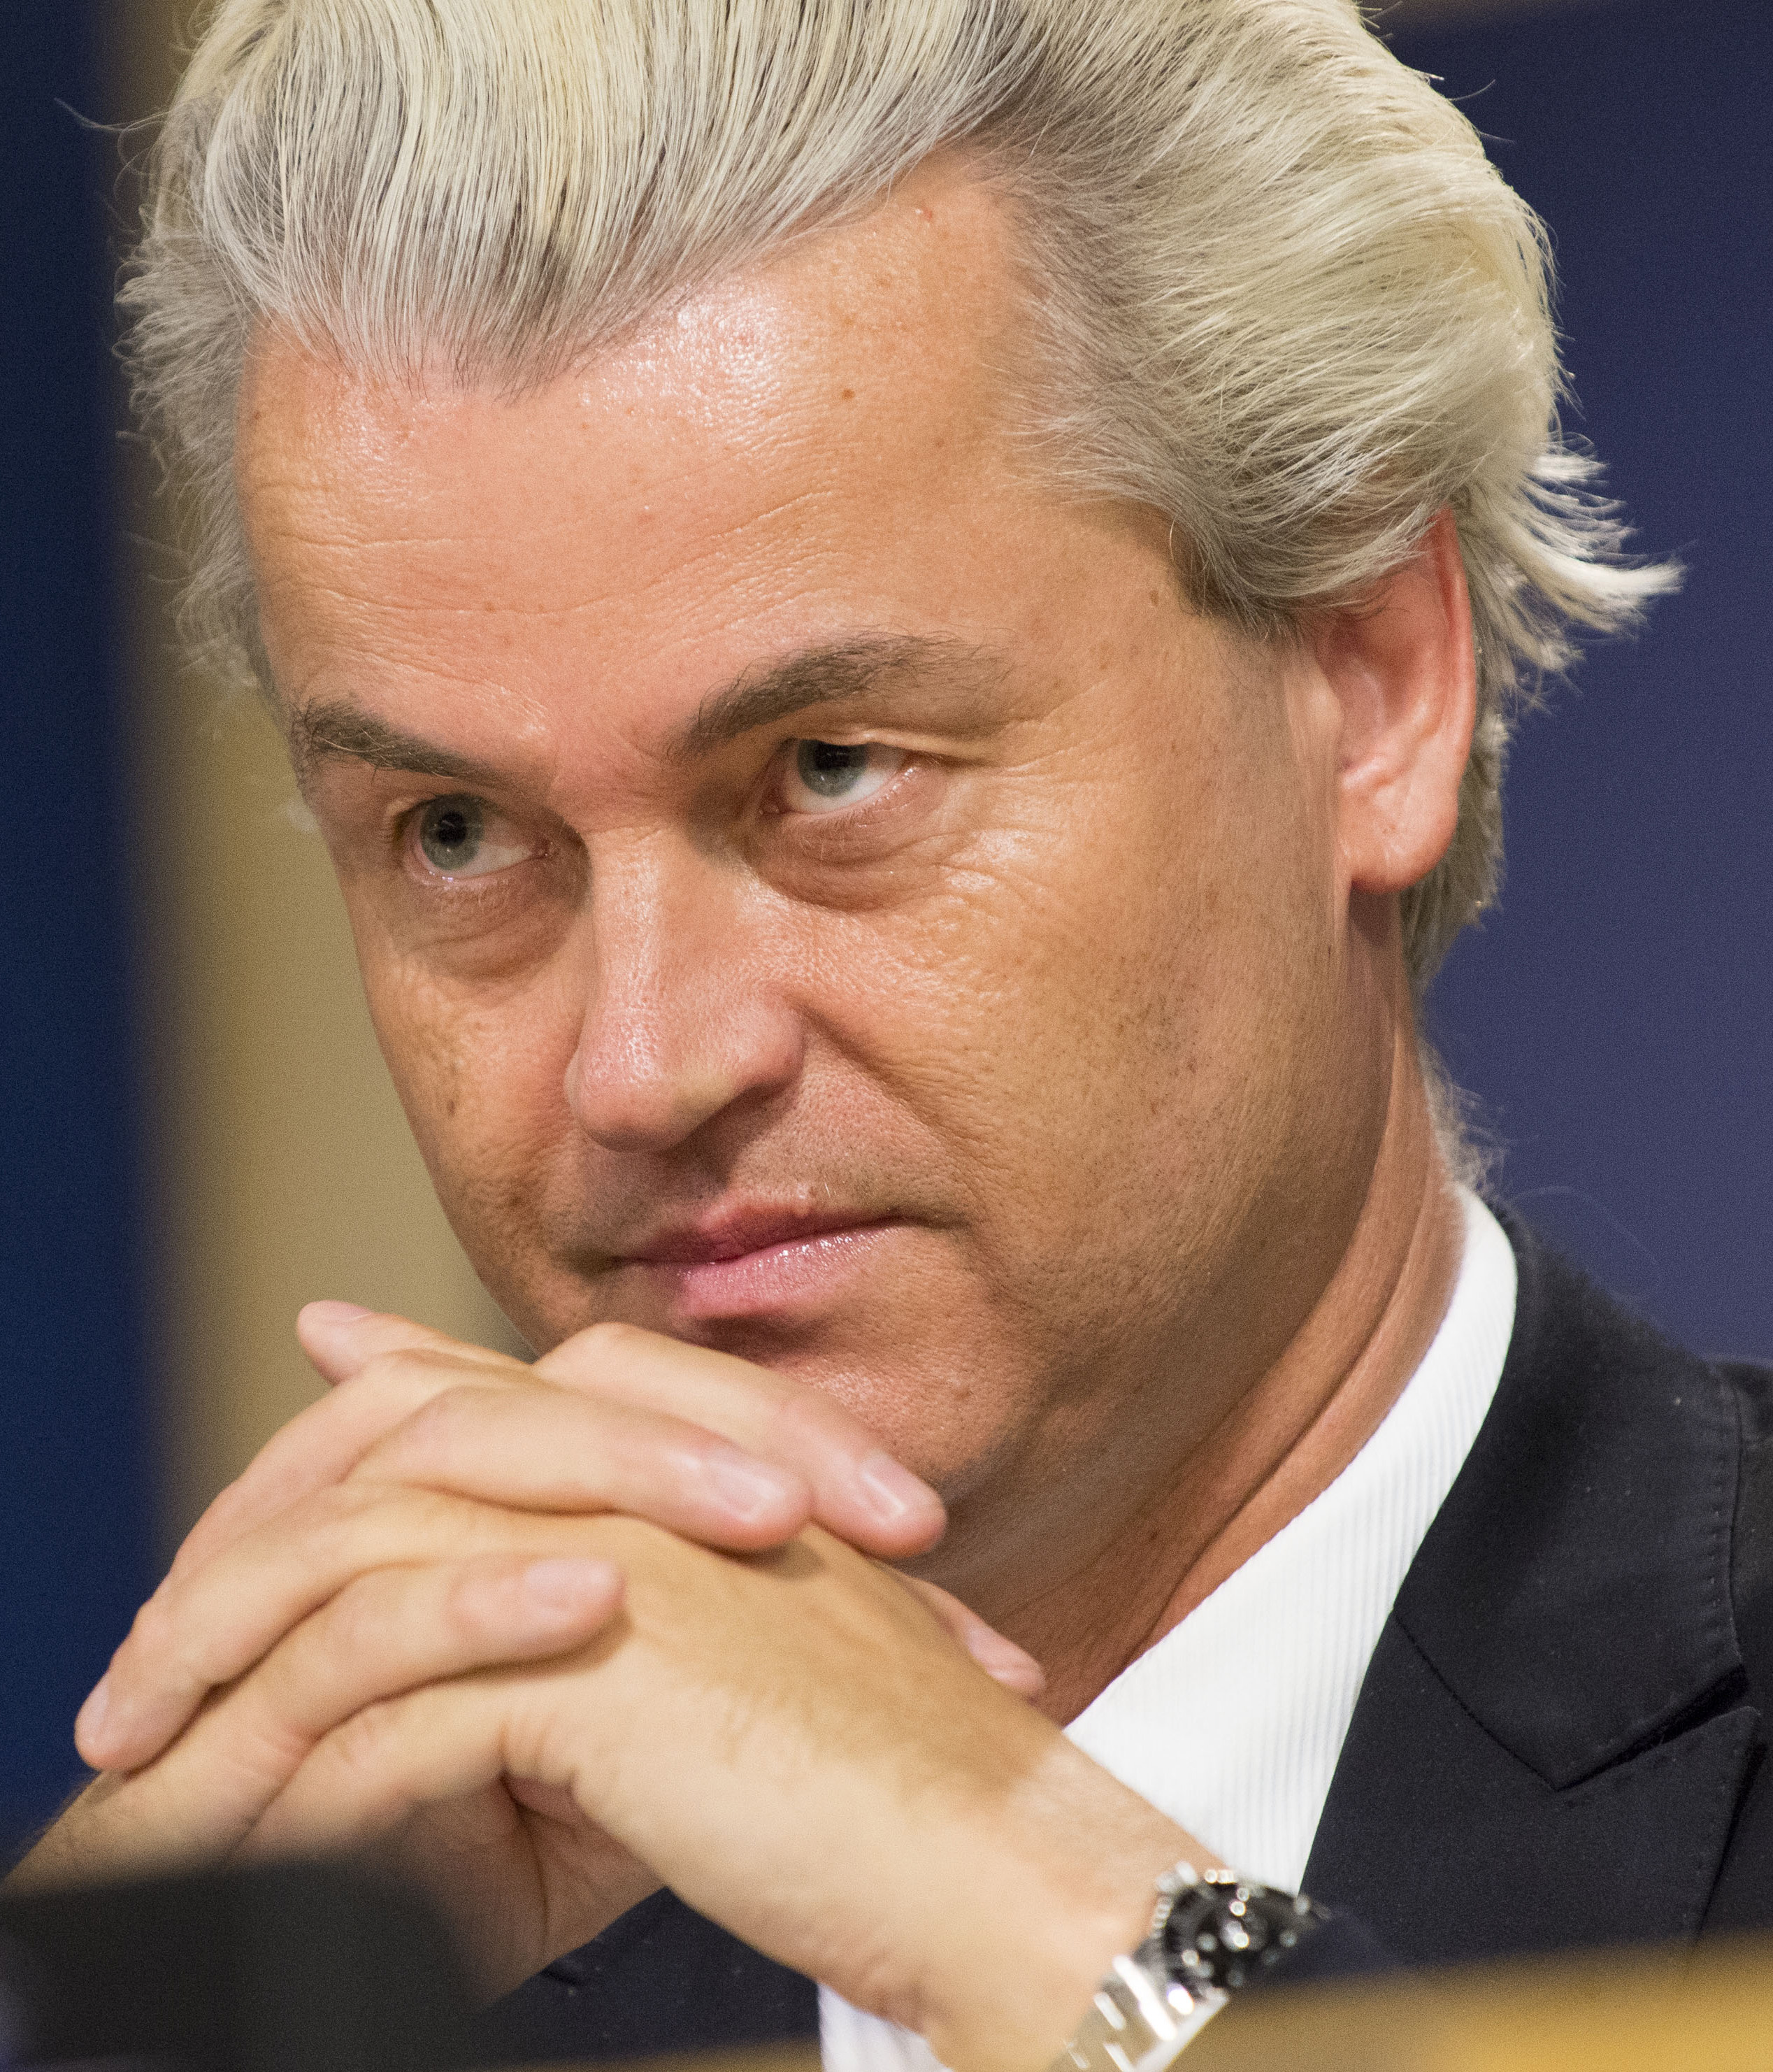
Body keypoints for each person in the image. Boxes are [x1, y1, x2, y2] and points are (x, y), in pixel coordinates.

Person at [17, 1, 1773, 2066]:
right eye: (458, 832)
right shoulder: (360, 1980)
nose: (639, 1066)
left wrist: (1046, 1911)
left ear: (1372, 686)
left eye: (832, 769)